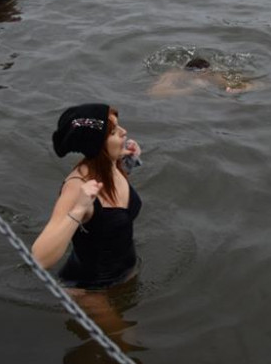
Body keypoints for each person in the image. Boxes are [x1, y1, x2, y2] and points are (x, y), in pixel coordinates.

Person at [32, 104, 144, 289]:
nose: (124, 132)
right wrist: (79, 210)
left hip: (126, 275)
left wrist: (130, 162)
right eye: (114, 132)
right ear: (98, 146)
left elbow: (114, 205)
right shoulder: (78, 188)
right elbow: (39, 259)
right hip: (90, 288)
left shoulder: (111, 165)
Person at [149, 57, 257, 96]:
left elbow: (260, 85)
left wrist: (241, 89)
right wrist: (190, 90)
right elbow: (154, 92)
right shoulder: (173, 74)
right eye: (197, 75)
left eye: (204, 75)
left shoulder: (215, 76)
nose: (200, 77)